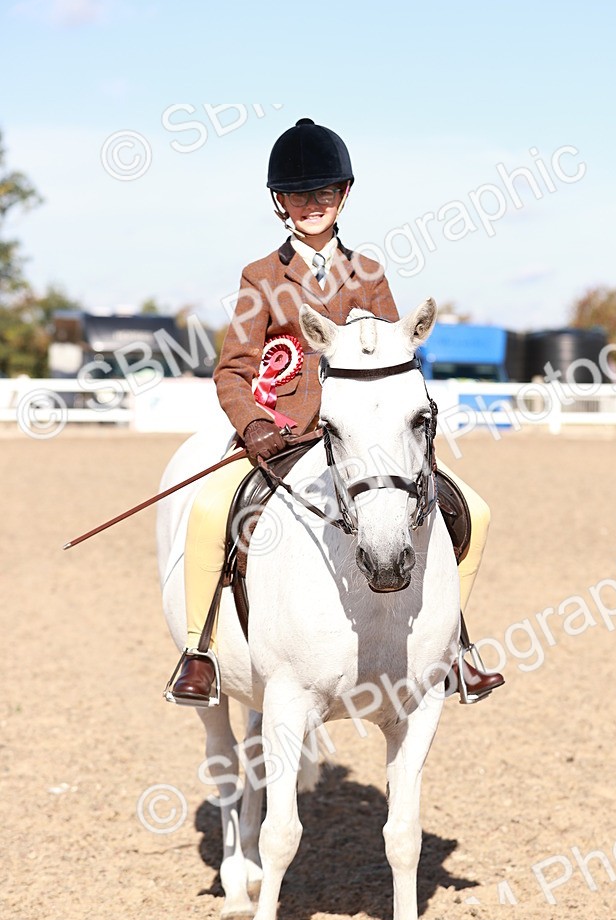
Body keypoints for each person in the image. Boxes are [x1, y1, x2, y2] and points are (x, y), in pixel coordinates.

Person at [166, 118, 504, 707]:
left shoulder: (368, 275)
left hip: (364, 443)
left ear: (343, 194)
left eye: (322, 194)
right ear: (281, 203)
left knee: (471, 509)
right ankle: (198, 651)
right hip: (284, 439)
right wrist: (255, 426)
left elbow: (397, 354)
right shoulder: (261, 277)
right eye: (298, 196)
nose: (311, 206)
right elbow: (233, 371)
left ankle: (454, 646)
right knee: (210, 509)